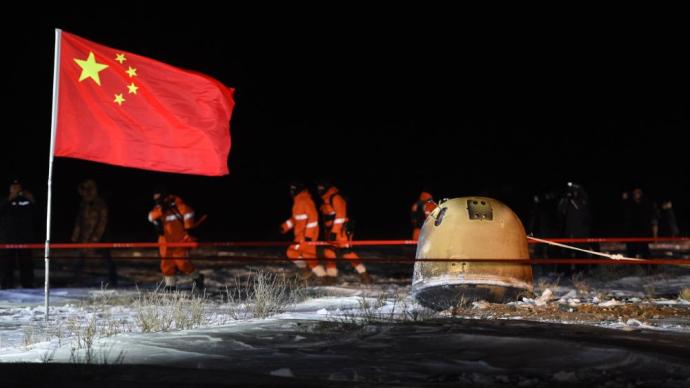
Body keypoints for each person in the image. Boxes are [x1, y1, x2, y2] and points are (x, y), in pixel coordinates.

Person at [148, 187, 203, 290]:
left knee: (182, 263)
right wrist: (161, 211)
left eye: (158, 198)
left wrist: (188, 228)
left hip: (180, 240)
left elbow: (189, 213)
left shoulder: (177, 204)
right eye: (155, 199)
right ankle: (170, 286)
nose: (157, 201)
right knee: (166, 264)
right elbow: (150, 217)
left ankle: (197, 277)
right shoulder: (159, 208)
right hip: (164, 241)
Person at [316, 181, 371, 284]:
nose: (319, 189)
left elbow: (341, 216)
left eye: (321, 186)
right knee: (329, 252)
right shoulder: (325, 199)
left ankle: (364, 274)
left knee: (346, 253)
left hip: (341, 232)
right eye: (318, 187)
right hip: (331, 231)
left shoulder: (336, 197)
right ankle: (331, 276)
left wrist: (334, 232)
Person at [71, 179, 117, 286]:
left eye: (86, 191)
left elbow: (102, 222)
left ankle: (113, 280)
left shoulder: (100, 204)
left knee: (107, 258)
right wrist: (75, 235)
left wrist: (95, 238)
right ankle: (77, 280)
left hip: (101, 238)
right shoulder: (84, 204)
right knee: (79, 258)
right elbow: (79, 221)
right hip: (85, 237)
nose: (84, 194)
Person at [281, 181, 327, 282]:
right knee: (309, 256)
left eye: (293, 189)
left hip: (306, 234)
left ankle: (306, 271)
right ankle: (323, 277)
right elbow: (295, 218)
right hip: (301, 234)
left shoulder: (305, 200)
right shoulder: (298, 200)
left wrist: (308, 235)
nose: (291, 191)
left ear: (298, 189)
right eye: (291, 189)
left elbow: (313, 218)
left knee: (291, 252)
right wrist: (285, 226)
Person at [0, 180, 36, 289]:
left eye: (18, 187)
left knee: (26, 263)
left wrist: (32, 200)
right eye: (13, 187)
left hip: (24, 238)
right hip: (7, 238)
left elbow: (36, 213)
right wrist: (10, 198)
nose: (16, 189)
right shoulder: (5, 200)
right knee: (6, 263)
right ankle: (6, 284)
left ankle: (27, 284)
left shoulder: (26, 200)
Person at [557, 182, 592, 274]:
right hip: (569, 230)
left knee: (581, 251)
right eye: (573, 191)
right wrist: (565, 198)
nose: (573, 193)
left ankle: (582, 271)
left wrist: (576, 192)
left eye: (575, 191)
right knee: (566, 251)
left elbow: (579, 207)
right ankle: (566, 271)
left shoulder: (582, 200)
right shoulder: (568, 201)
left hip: (581, 231)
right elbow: (561, 210)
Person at [622, 187, 658, 259]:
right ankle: (632, 267)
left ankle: (650, 266)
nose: (637, 194)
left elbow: (651, 218)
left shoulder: (646, 203)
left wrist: (653, 235)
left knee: (645, 251)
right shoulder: (629, 203)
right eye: (635, 192)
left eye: (638, 192)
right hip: (631, 232)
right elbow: (624, 213)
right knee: (631, 252)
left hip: (642, 232)